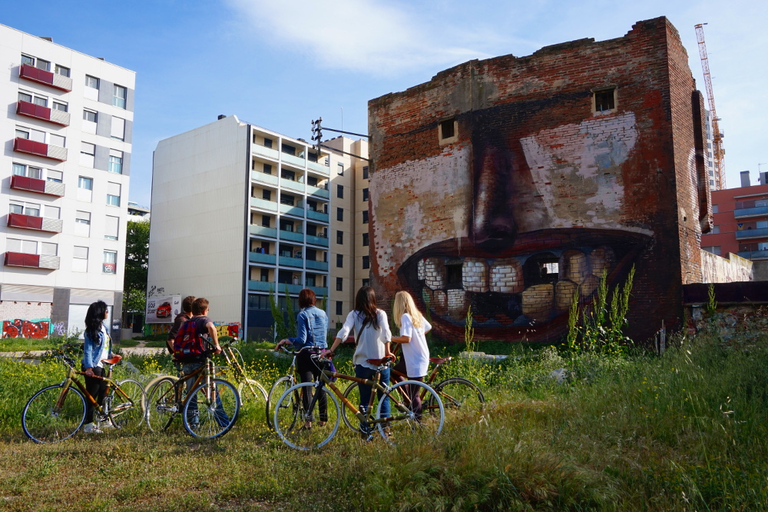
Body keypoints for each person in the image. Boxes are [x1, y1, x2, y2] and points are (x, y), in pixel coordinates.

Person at [323, 286, 394, 438]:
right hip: (381, 363)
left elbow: (344, 332)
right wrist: (387, 352)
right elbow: (386, 332)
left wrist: (331, 349)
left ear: (358, 299)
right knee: (384, 397)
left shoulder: (354, 314)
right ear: (373, 298)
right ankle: (386, 431)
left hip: (363, 363)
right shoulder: (381, 313)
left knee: (364, 399)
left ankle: (365, 431)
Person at [274, 288, 328, 428]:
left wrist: (287, 340)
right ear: (314, 299)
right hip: (322, 353)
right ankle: (323, 420)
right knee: (321, 386)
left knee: (307, 387)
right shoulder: (323, 314)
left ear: (301, 301)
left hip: (307, 355)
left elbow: (301, 340)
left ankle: (308, 422)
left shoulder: (302, 315)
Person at [178, 298, 224, 426]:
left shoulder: (187, 322)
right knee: (212, 388)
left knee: (191, 393)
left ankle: (193, 424)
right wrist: (217, 345)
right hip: (199, 360)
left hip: (186, 361)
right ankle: (223, 421)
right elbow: (211, 327)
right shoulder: (204, 319)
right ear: (204, 310)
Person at [390, 291, 432, 417]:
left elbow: (406, 338)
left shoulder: (405, 317)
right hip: (420, 356)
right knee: (394, 372)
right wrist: (417, 337)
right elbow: (428, 327)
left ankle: (418, 424)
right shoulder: (416, 315)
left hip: (415, 359)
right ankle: (407, 398)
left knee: (415, 395)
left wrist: (391, 338)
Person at [82, 300, 112, 434]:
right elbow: (87, 350)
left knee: (103, 392)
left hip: (102, 364)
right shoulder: (91, 331)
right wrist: (89, 367)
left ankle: (103, 419)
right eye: (106, 310)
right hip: (93, 366)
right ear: (100, 312)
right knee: (91, 396)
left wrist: (112, 354)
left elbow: (104, 347)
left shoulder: (104, 327)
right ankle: (88, 425)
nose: (108, 312)